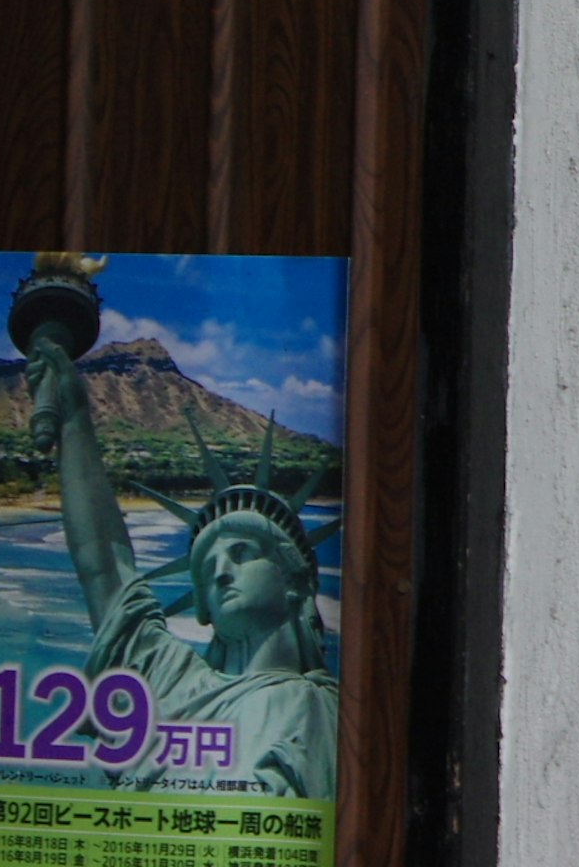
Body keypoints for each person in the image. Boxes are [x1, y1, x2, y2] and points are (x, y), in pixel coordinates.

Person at [18, 264, 340, 801]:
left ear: (296, 582)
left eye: (243, 552)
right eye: (209, 565)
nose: (220, 569)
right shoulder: (171, 683)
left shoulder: (327, 711)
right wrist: (73, 416)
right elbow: (104, 565)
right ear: (205, 610)